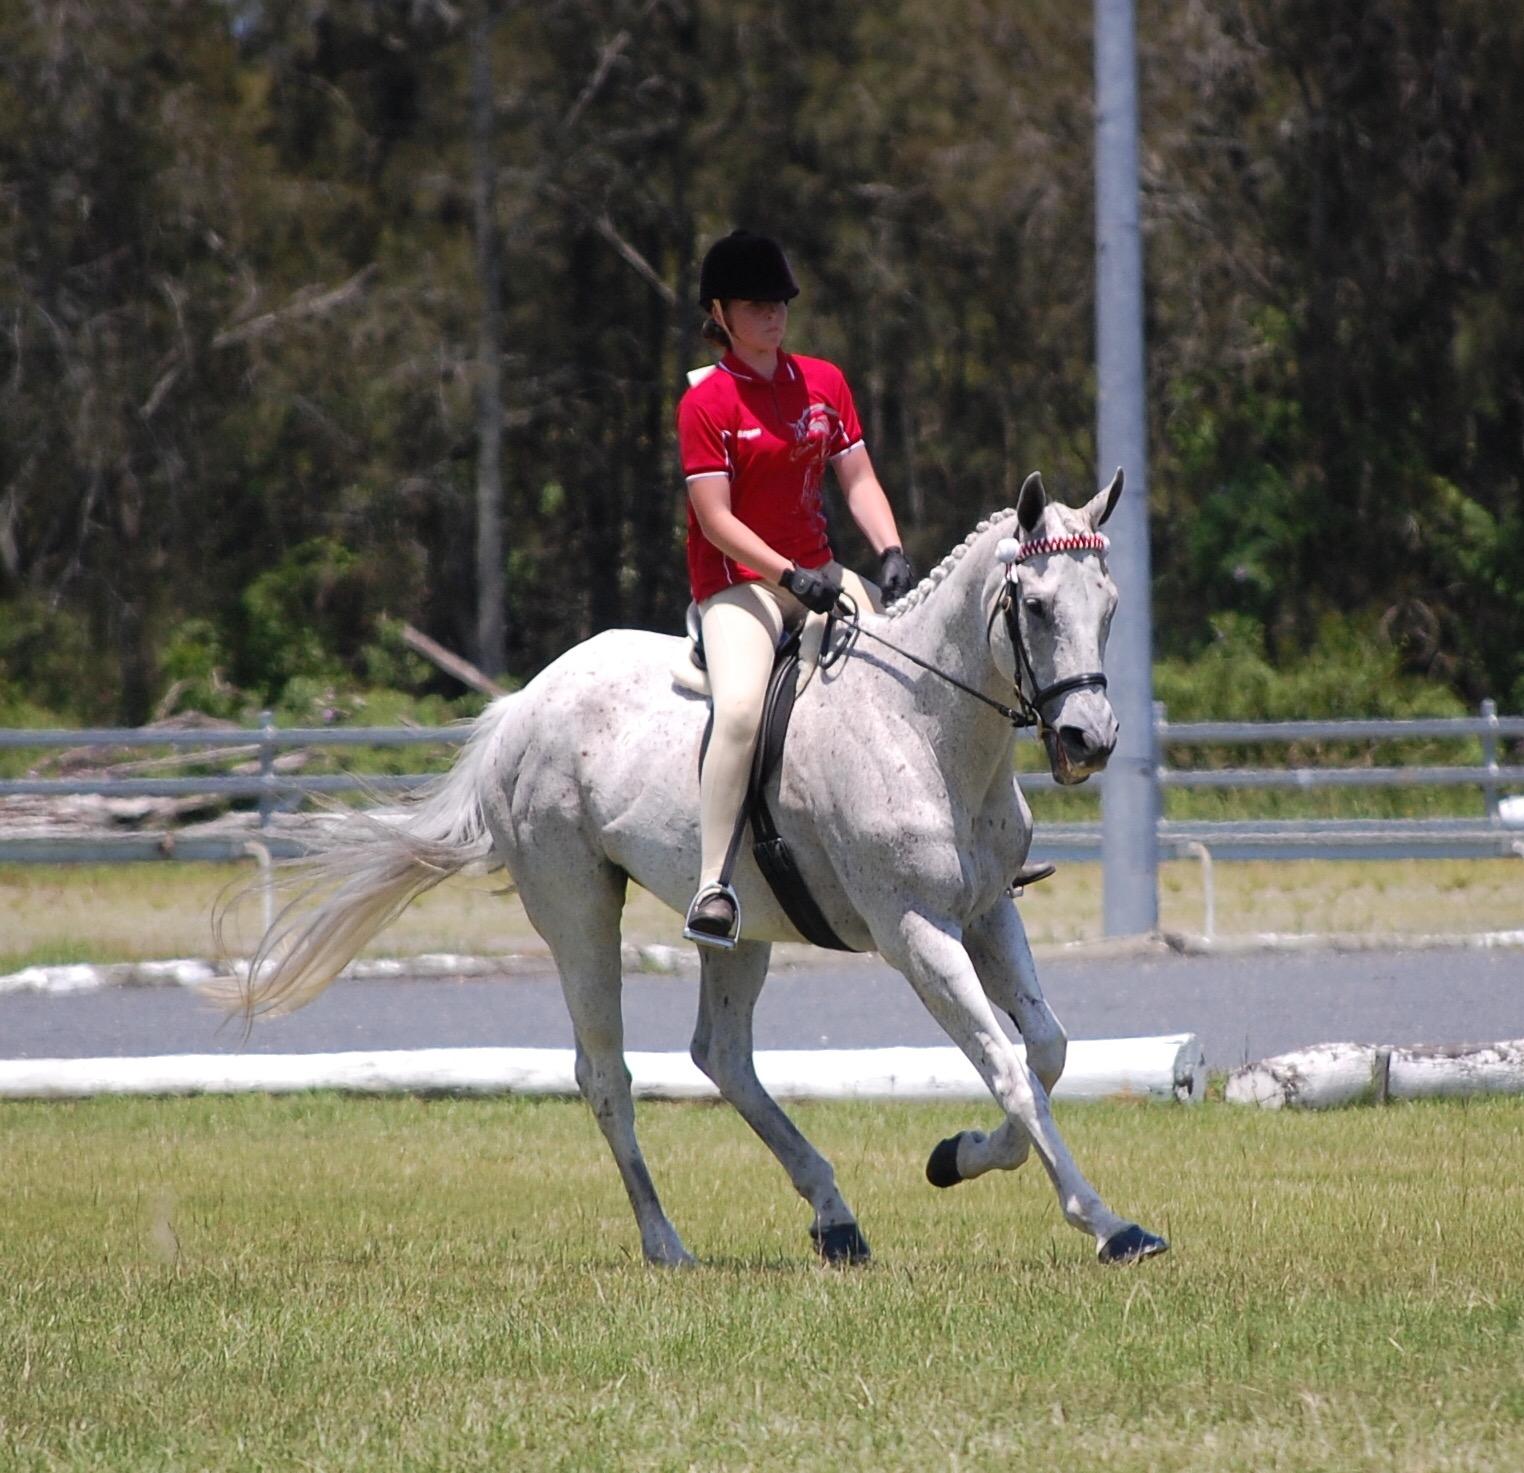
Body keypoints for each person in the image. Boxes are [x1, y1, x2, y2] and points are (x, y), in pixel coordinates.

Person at [676, 229, 915, 946]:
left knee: (905, 670)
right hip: (740, 584)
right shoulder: (708, 403)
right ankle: (713, 883)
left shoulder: (824, 383)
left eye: (779, 302)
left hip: (820, 572)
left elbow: (859, 478)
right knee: (744, 710)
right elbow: (715, 520)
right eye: (755, 304)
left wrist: (890, 546)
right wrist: (787, 575)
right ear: (718, 310)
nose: (773, 315)